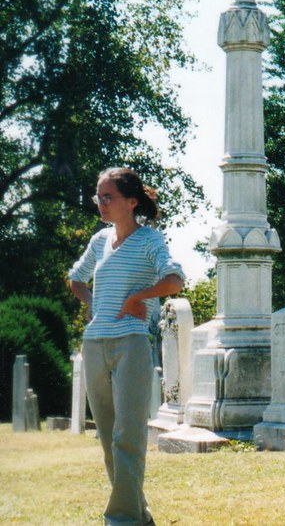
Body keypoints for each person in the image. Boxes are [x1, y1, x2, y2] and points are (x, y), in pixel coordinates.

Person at [68, 167, 185, 526]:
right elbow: (76, 278)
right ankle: (139, 514)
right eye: (98, 197)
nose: (101, 203)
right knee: (108, 439)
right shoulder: (100, 240)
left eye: (108, 197)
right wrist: (94, 304)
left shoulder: (149, 240)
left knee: (127, 436)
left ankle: (120, 519)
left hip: (131, 344)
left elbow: (175, 280)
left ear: (131, 202)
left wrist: (138, 296)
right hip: (94, 345)